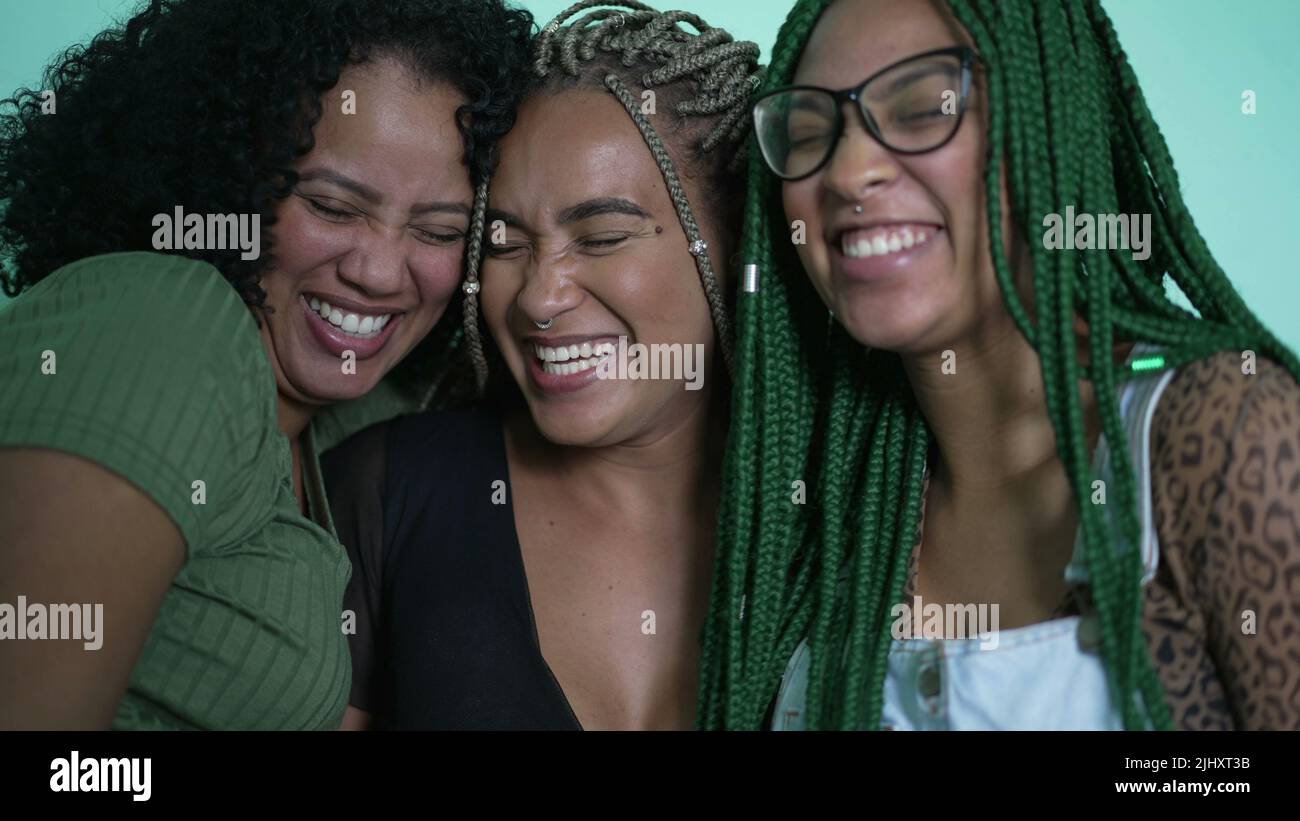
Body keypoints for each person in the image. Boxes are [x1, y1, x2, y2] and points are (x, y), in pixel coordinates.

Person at [698, 0, 1300, 730]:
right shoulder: (826, 500)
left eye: (924, 108)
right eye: (810, 131)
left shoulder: (1225, 433)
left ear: (1051, 124)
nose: (850, 172)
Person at [0, 0, 533, 729]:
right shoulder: (161, 326)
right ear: (224, 175)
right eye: (332, 206)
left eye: (440, 230)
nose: (379, 272)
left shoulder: (365, 420)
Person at [324, 0, 760, 730]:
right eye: (504, 242)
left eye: (601, 236)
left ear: (733, 243)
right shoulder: (385, 498)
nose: (540, 296)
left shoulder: (851, 516)